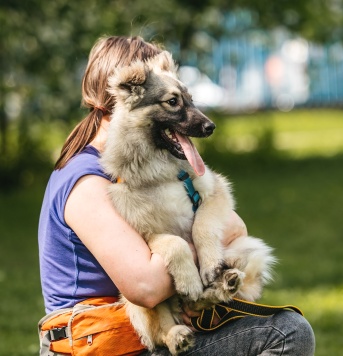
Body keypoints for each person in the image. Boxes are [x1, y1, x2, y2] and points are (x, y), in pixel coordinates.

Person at [38, 35, 315, 355]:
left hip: (150, 333)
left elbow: (233, 225)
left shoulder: (155, 162)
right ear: (125, 95)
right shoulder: (86, 180)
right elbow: (146, 286)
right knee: (285, 333)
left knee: (284, 325)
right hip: (103, 344)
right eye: (170, 100)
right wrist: (205, 253)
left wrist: (206, 247)